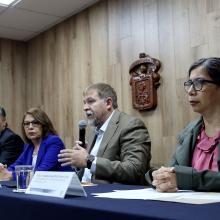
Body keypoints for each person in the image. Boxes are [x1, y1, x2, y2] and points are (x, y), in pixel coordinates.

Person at [148, 57, 220, 192]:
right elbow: (173, 173)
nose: (191, 91)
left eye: (199, 83)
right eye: (189, 84)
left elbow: (183, 178)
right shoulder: (190, 132)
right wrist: (160, 177)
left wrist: (187, 179)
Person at [58, 83, 151, 185]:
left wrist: (88, 161)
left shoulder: (130, 125)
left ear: (108, 103)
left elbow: (134, 170)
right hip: (87, 192)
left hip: (112, 197)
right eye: (84, 103)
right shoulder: (94, 132)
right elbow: (88, 174)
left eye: (90, 101)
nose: (85, 107)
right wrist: (79, 164)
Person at [0, 107, 72, 180]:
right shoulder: (28, 147)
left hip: (63, 189)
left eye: (35, 123)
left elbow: (41, 173)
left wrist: (11, 176)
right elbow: (16, 166)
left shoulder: (54, 142)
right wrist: (3, 171)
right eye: (26, 124)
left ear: (44, 125)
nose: (30, 127)